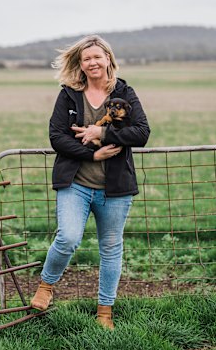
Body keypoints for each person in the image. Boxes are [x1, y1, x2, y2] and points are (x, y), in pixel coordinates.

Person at [30, 35, 150, 330]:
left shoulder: (124, 91)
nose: (93, 62)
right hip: (76, 183)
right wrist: (92, 154)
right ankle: (46, 286)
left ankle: (104, 312)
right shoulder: (69, 94)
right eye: (87, 59)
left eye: (98, 56)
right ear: (81, 65)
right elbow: (56, 137)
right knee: (68, 238)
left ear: (108, 58)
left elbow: (142, 133)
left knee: (111, 248)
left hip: (115, 189)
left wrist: (102, 135)